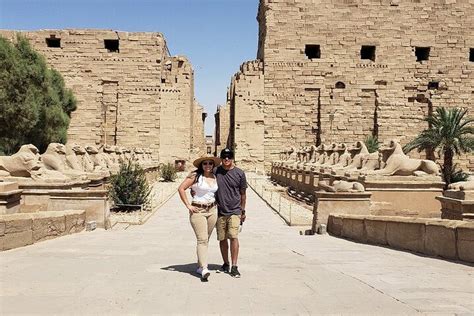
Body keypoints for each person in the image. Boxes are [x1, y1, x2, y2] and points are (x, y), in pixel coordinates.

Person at [178, 154, 221, 281]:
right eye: (205, 163)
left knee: (205, 239)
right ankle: (204, 268)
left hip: (212, 210)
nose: (208, 165)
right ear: (201, 165)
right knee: (202, 240)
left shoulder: (215, 176)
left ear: (213, 165)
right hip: (198, 210)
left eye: (210, 163)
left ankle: (199, 266)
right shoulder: (195, 176)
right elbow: (181, 188)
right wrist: (188, 205)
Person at [215, 148, 247, 278]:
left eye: (229, 157)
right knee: (222, 239)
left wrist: (242, 211)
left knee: (233, 236)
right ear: (221, 158)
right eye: (224, 157)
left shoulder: (239, 173)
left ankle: (234, 266)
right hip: (220, 211)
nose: (226, 159)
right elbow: (203, 179)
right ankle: (225, 263)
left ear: (232, 158)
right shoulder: (216, 171)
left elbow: (243, 194)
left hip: (235, 210)